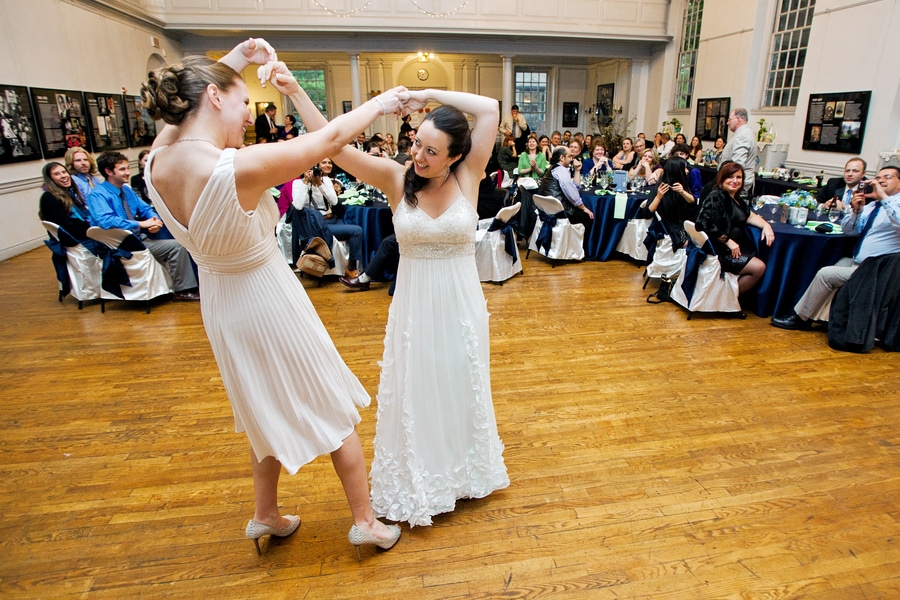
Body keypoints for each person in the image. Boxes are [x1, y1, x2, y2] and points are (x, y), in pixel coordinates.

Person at [140, 39, 405, 554]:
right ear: (214, 99)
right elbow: (327, 141)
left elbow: (184, 114)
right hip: (265, 295)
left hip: (220, 301)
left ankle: (266, 513)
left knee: (258, 403)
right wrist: (382, 104)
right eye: (242, 103)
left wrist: (236, 61)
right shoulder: (235, 167)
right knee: (329, 400)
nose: (247, 116)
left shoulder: (156, 160)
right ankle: (366, 521)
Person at [283, 76, 509, 526]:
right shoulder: (396, 177)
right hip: (415, 306)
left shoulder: (470, 174)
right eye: (417, 143)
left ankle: (461, 473)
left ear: (456, 156)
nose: (418, 156)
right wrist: (295, 92)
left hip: (462, 306)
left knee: (459, 384)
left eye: (431, 151)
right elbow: (334, 146)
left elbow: (488, 109)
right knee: (419, 388)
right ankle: (423, 476)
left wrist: (431, 96)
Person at [772, 166, 900, 330]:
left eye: (887, 177)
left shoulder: (893, 205)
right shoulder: (873, 206)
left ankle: (800, 318)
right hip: (858, 263)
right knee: (829, 261)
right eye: (878, 177)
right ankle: (824, 317)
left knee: (826, 274)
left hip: (877, 269)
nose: (880, 180)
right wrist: (856, 211)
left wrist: (883, 197)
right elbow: (849, 230)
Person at [86, 151, 200, 301]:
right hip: (121, 245)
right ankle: (183, 290)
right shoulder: (97, 195)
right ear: (108, 172)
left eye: (127, 168)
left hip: (138, 238)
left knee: (180, 237)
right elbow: (106, 221)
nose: (127, 173)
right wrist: (141, 224)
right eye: (122, 169)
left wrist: (156, 221)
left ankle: (195, 283)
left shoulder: (126, 190)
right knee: (177, 246)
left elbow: (145, 208)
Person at [695, 162, 774, 296]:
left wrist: (766, 225)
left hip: (730, 248)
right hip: (719, 250)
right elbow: (702, 222)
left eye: (739, 177)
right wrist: (727, 241)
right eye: (730, 177)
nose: (735, 181)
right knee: (759, 268)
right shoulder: (717, 196)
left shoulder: (736, 199)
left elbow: (750, 216)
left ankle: (726, 299)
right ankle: (726, 299)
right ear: (722, 179)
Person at [288, 163, 365, 277]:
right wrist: (306, 183)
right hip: (316, 225)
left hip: (331, 220)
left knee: (354, 226)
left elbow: (334, 202)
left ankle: (354, 265)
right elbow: (298, 206)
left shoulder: (326, 180)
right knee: (356, 231)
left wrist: (319, 184)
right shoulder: (298, 183)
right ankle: (351, 269)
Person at [539, 146, 594, 230]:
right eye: (569, 156)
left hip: (548, 210)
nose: (572, 159)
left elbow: (574, 187)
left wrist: (577, 170)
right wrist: (584, 208)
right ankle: (582, 243)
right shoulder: (561, 170)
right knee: (588, 217)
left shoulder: (553, 168)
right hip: (560, 212)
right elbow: (573, 195)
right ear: (562, 157)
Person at [647, 157, 697, 250]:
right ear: (677, 171)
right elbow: (648, 211)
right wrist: (659, 197)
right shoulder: (659, 187)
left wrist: (682, 192)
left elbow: (693, 203)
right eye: (685, 168)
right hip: (665, 226)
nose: (687, 171)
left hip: (681, 224)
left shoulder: (682, 185)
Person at [38, 161, 94, 241]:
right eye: (57, 174)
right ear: (50, 179)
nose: (63, 176)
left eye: (64, 172)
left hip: (80, 236)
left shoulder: (69, 193)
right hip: (74, 241)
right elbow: (67, 226)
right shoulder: (49, 198)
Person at [719, 108, 758, 194]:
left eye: (729, 119)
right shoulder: (744, 132)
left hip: (735, 186)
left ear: (738, 119)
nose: (727, 122)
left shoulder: (743, 135)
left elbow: (738, 164)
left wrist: (729, 183)